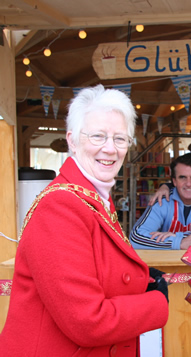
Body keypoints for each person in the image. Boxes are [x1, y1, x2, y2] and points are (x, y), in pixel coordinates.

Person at [0, 85, 169, 356]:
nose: (110, 149)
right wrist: (158, 302)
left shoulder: (93, 198)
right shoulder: (60, 206)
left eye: (120, 139)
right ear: (72, 141)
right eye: (98, 136)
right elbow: (88, 321)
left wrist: (143, 281)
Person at [129, 152, 191, 250]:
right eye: (182, 177)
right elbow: (135, 238)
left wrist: (177, 237)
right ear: (174, 181)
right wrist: (179, 242)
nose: (188, 183)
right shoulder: (162, 200)